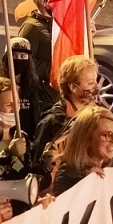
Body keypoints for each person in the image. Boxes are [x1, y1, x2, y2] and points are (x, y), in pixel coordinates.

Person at [32, 54, 102, 188]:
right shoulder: (52, 124)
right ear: (73, 87)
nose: (96, 87)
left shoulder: (98, 116)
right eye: (90, 83)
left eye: (95, 81)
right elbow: (38, 171)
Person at [2, 36, 56, 139]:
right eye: (14, 55)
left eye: (23, 56)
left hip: (27, 140)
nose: (18, 59)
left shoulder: (35, 86)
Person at [16, 0, 55, 90]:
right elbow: (25, 63)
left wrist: (87, 34)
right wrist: (56, 69)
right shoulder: (31, 27)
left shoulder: (57, 24)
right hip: (41, 93)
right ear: (44, 2)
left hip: (54, 92)